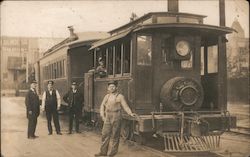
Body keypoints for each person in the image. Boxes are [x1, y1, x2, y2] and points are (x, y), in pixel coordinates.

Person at [95, 80, 136, 157]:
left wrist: (130, 113)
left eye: (113, 86)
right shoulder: (107, 96)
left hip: (116, 116)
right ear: (108, 88)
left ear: (116, 87)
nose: (112, 88)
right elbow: (102, 106)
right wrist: (102, 115)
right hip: (108, 116)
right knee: (105, 134)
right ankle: (103, 152)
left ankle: (112, 153)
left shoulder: (120, 96)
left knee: (115, 135)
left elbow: (125, 106)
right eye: (110, 86)